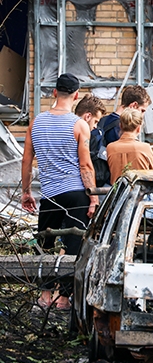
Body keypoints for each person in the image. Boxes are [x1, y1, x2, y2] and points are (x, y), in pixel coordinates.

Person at [20, 73, 99, 310]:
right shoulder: (79, 124)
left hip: (50, 193)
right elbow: (85, 165)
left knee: (45, 243)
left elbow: (26, 160)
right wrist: (93, 196)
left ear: (54, 92)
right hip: (76, 193)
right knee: (73, 246)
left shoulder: (36, 122)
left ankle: (44, 297)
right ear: (76, 95)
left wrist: (26, 192)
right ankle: (63, 299)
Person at [92, 85, 151, 186]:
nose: (142, 115)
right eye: (142, 110)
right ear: (134, 105)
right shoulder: (122, 127)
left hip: (100, 179)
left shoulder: (103, 121)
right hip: (117, 183)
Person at [106, 108, 153, 184]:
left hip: (117, 192)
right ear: (139, 128)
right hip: (140, 193)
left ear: (120, 126)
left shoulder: (110, 147)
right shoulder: (145, 148)